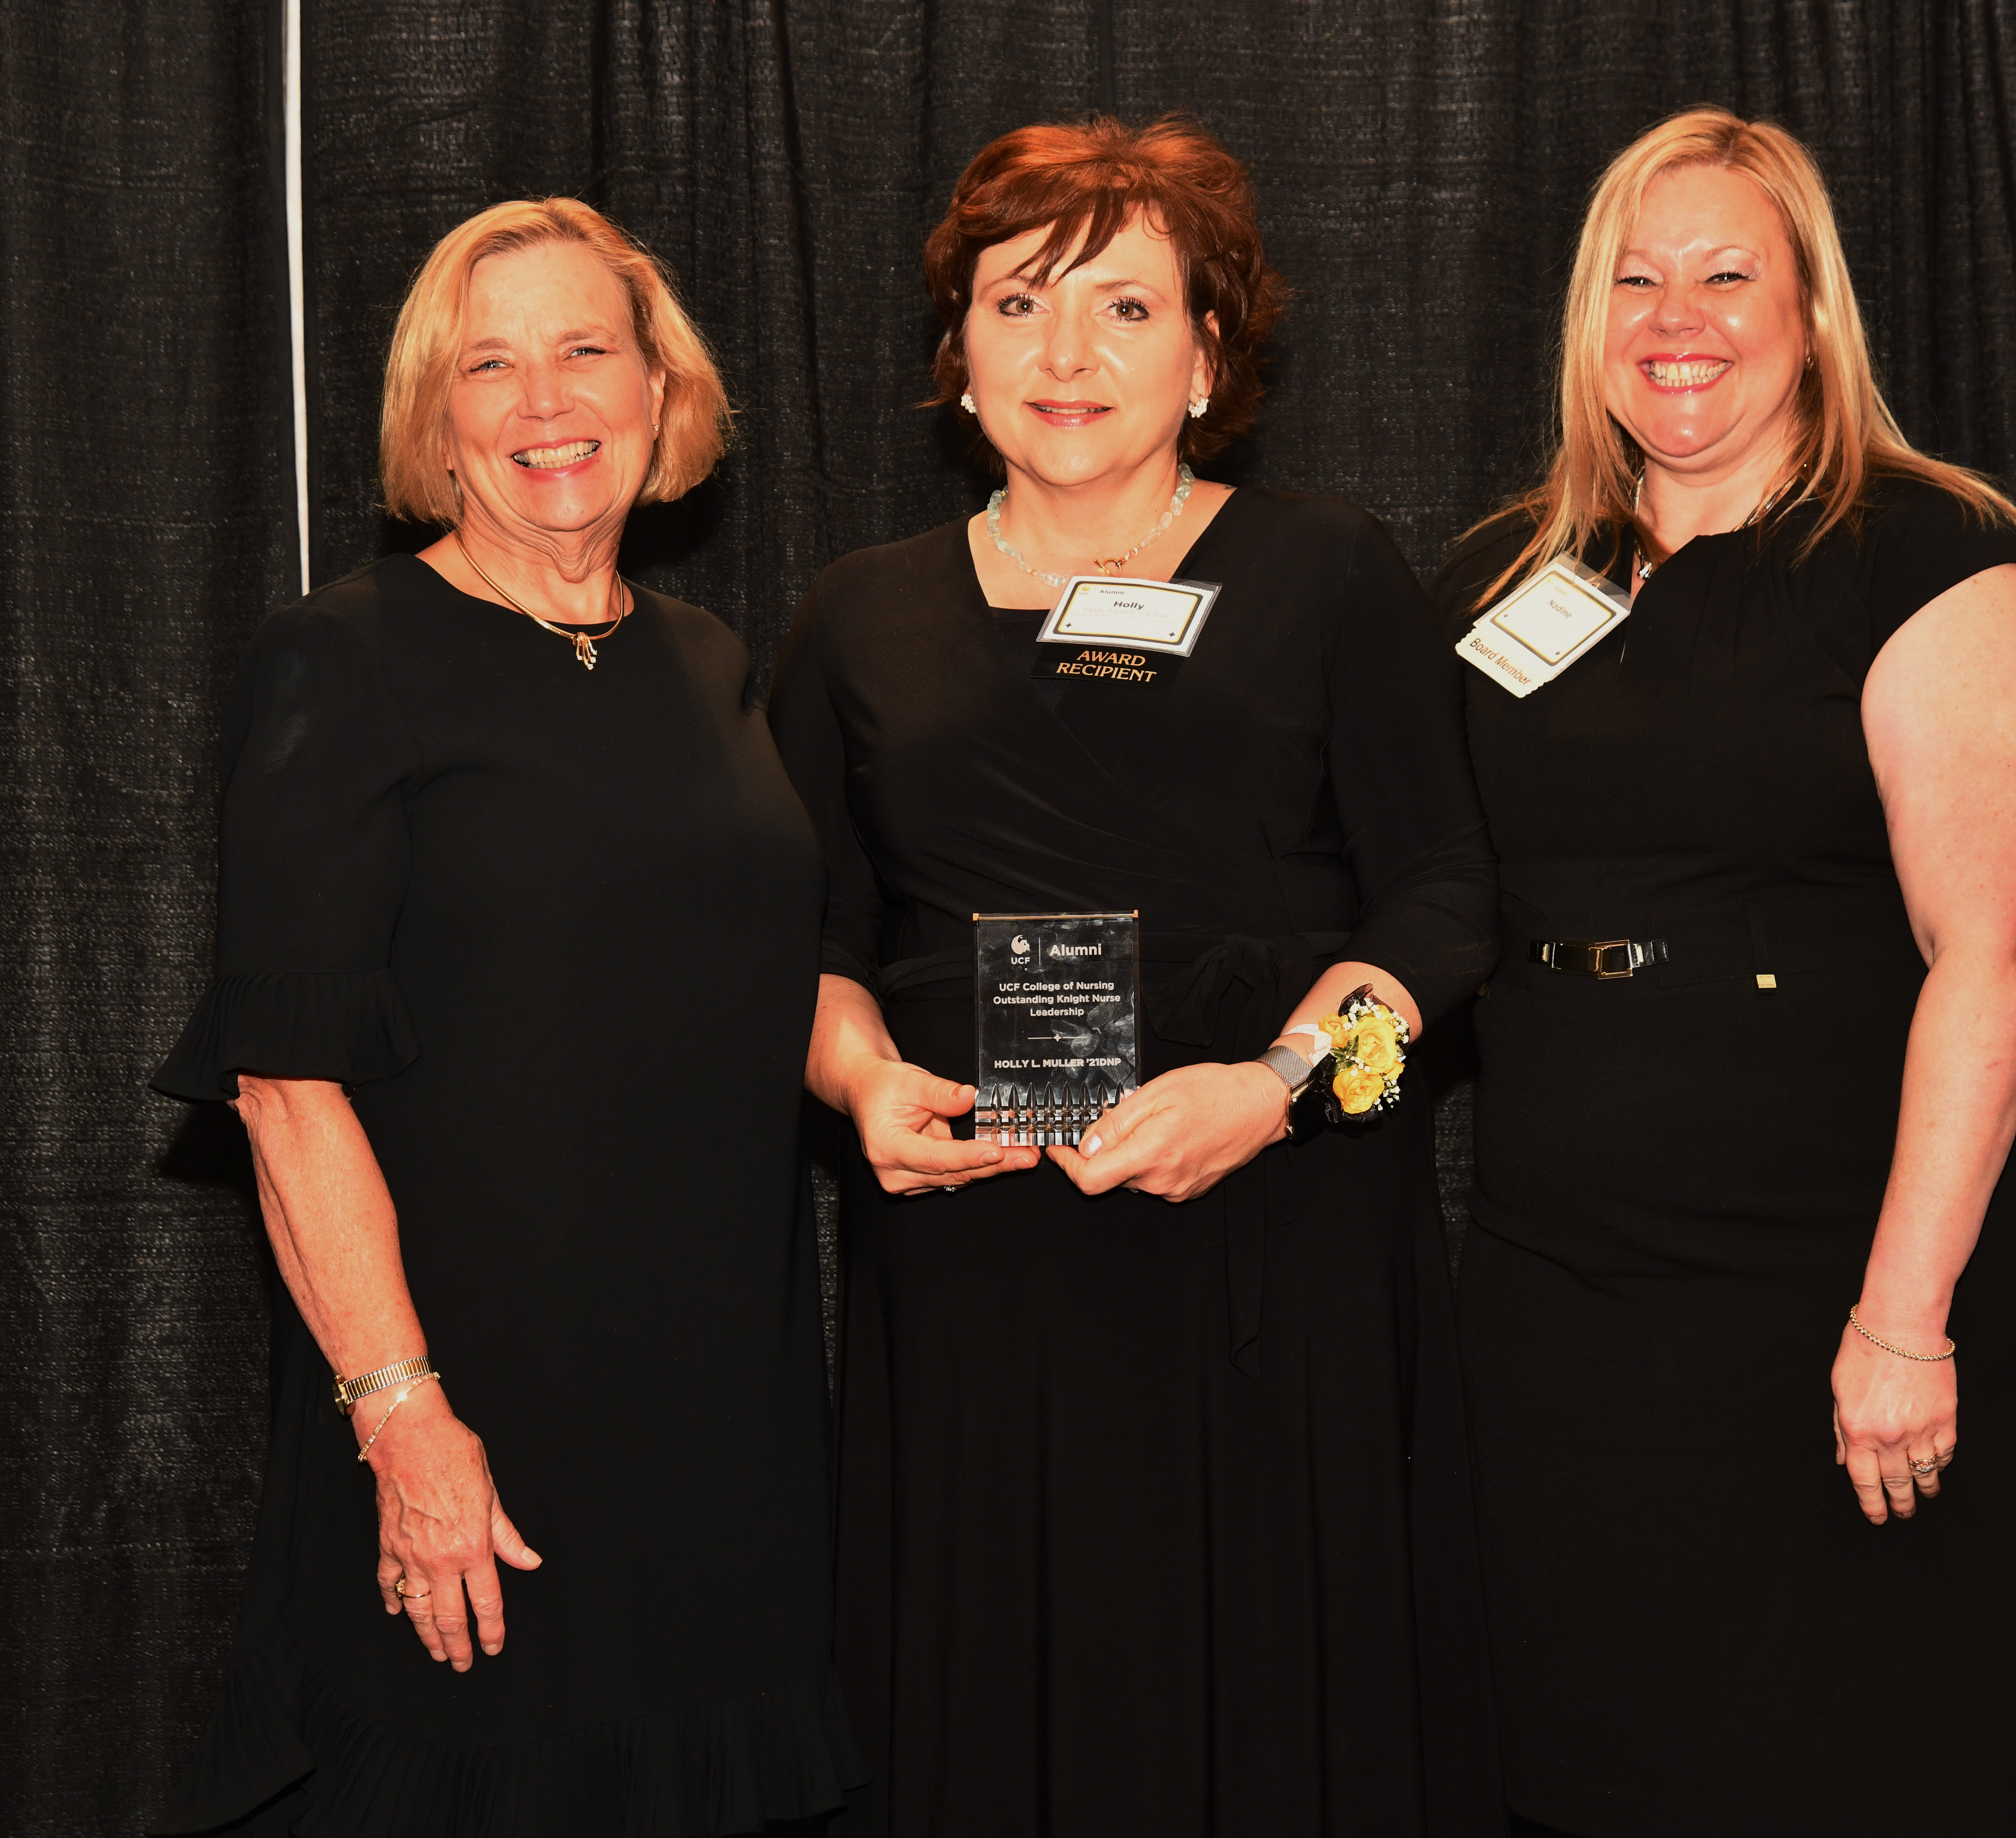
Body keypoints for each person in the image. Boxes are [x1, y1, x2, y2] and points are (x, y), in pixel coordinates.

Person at [770, 116, 1502, 1837]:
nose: (1065, 354)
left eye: (1121, 306)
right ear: (956, 350)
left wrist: (1287, 1088)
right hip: (974, 1254)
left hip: (1277, 1227)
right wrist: (858, 1085)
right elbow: (801, 940)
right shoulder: (852, 613)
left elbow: (1447, 903)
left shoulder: (1327, 570)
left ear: (1208, 352)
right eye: (1017, 305)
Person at [150, 199, 858, 1837]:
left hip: (720, 1427)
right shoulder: (345, 660)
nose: (545, 400)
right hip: (469, 1417)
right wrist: (404, 1418)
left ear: (660, 393)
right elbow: (285, 1088)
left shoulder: (708, 662)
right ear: (437, 422)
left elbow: (762, 989)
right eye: (491, 363)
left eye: (583, 351)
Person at [1435, 108, 2016, 1837]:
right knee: (1590, 1765)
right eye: (1636, 279)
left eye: (1729, 274)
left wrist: (1900, 1316)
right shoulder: (1502, 584)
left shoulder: (1925, 563)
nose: (1678, 316)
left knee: (1859, 1766)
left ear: (1812, 315)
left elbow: (1994, 955)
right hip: (1566, 1312)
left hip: (1839, 1303)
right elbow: (1400, 904)